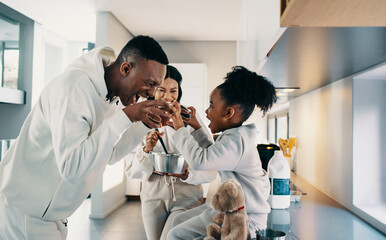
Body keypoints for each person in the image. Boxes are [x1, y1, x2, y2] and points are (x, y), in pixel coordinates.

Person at [0, 35, 171, 240]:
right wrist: (126, 116)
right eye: (149, 83)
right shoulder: (74, 88)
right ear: (126, 69)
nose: (151, 94)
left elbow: (109, 154)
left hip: (51, 216)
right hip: (27, 214)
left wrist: (144, 123)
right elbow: (72, 168)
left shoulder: (111, 96)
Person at [165, 66, 278, 239]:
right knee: (178, 221)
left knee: (175, 235)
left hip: (245, 220)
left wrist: (180, 128)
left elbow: (201, 161)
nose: (206, 112)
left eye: (211, 106)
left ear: (228, 112)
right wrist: (196, 127)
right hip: (231, 211)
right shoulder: (235, 137)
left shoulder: (236, 141)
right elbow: (212, 154)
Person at [125, 65, 217, 240]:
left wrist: (188, 174)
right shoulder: (140, 120)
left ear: (179, 92)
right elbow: (131, 171)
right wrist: (146, 150)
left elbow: (211, 167)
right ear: (152, 91)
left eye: (173, 91)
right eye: (161, 90)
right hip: (152, 196)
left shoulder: (191, 120)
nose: (168, 96)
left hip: (187, 197)